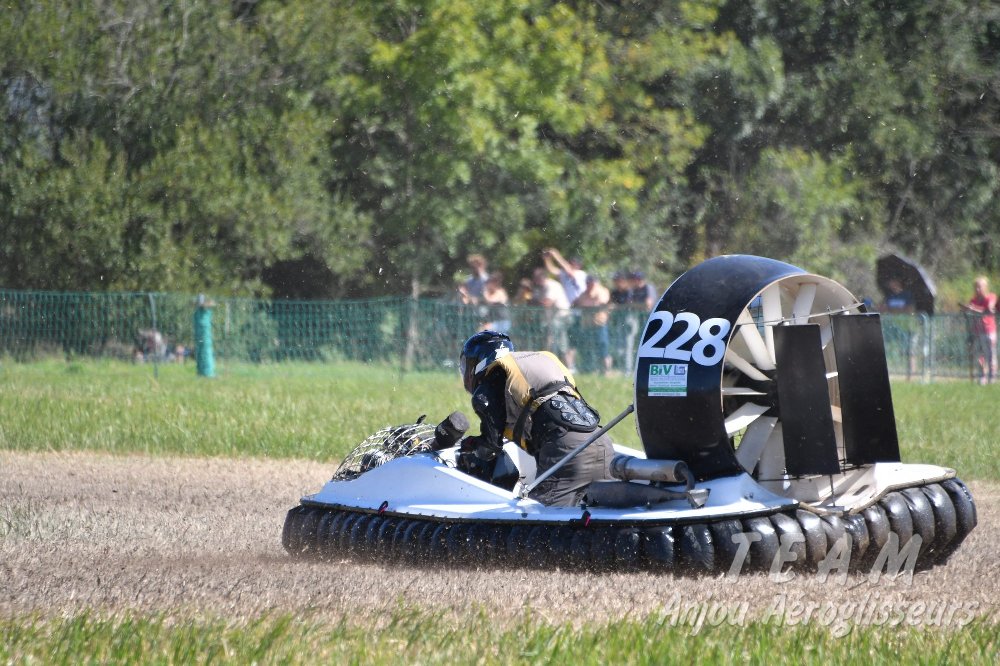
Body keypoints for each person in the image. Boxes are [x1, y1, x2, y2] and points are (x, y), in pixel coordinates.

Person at [457, 331, 613, 507]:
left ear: (479, 362)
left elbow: (490, 447)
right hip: (602, 443)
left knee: (537, 517)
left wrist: (472, 446)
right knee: (596, 517)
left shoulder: (491, 383)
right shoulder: (535, 364)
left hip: (567, 451)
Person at [531, 266, 572, 364]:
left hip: (561, 316)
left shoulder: (551, 285)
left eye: (536, 278)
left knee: (560, 342)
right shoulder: (541, 288)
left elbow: (547, 303)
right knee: (553, 340)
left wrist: (535, 302)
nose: (535, 281)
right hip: (552, 318)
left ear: (542, 277)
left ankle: (568, 365)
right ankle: (553, 363)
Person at [573, 275, 612, 374]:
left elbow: (600, 303)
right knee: (587, 349)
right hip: (587, 326)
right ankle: (588, 371)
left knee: (602, 349)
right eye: (588, 283)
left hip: (599, 325)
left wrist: (589, 304)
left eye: (591, 283)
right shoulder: (583, 294)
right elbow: (578, 303)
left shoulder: (602, 291)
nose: (589, 285)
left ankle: (605, 371)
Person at [962, 276, 998, 384]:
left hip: (989, 331)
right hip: (977, 331)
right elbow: (970, 310)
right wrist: (966, 309)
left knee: (990, 355)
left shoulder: (991, 297)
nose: (977, 290)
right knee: (979, 355)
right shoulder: (973, 300)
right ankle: (982, 376)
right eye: (976, 287)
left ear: (985, 287)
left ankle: (992, 377)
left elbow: (988, 310)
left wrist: (973, 309)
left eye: (979, 287)